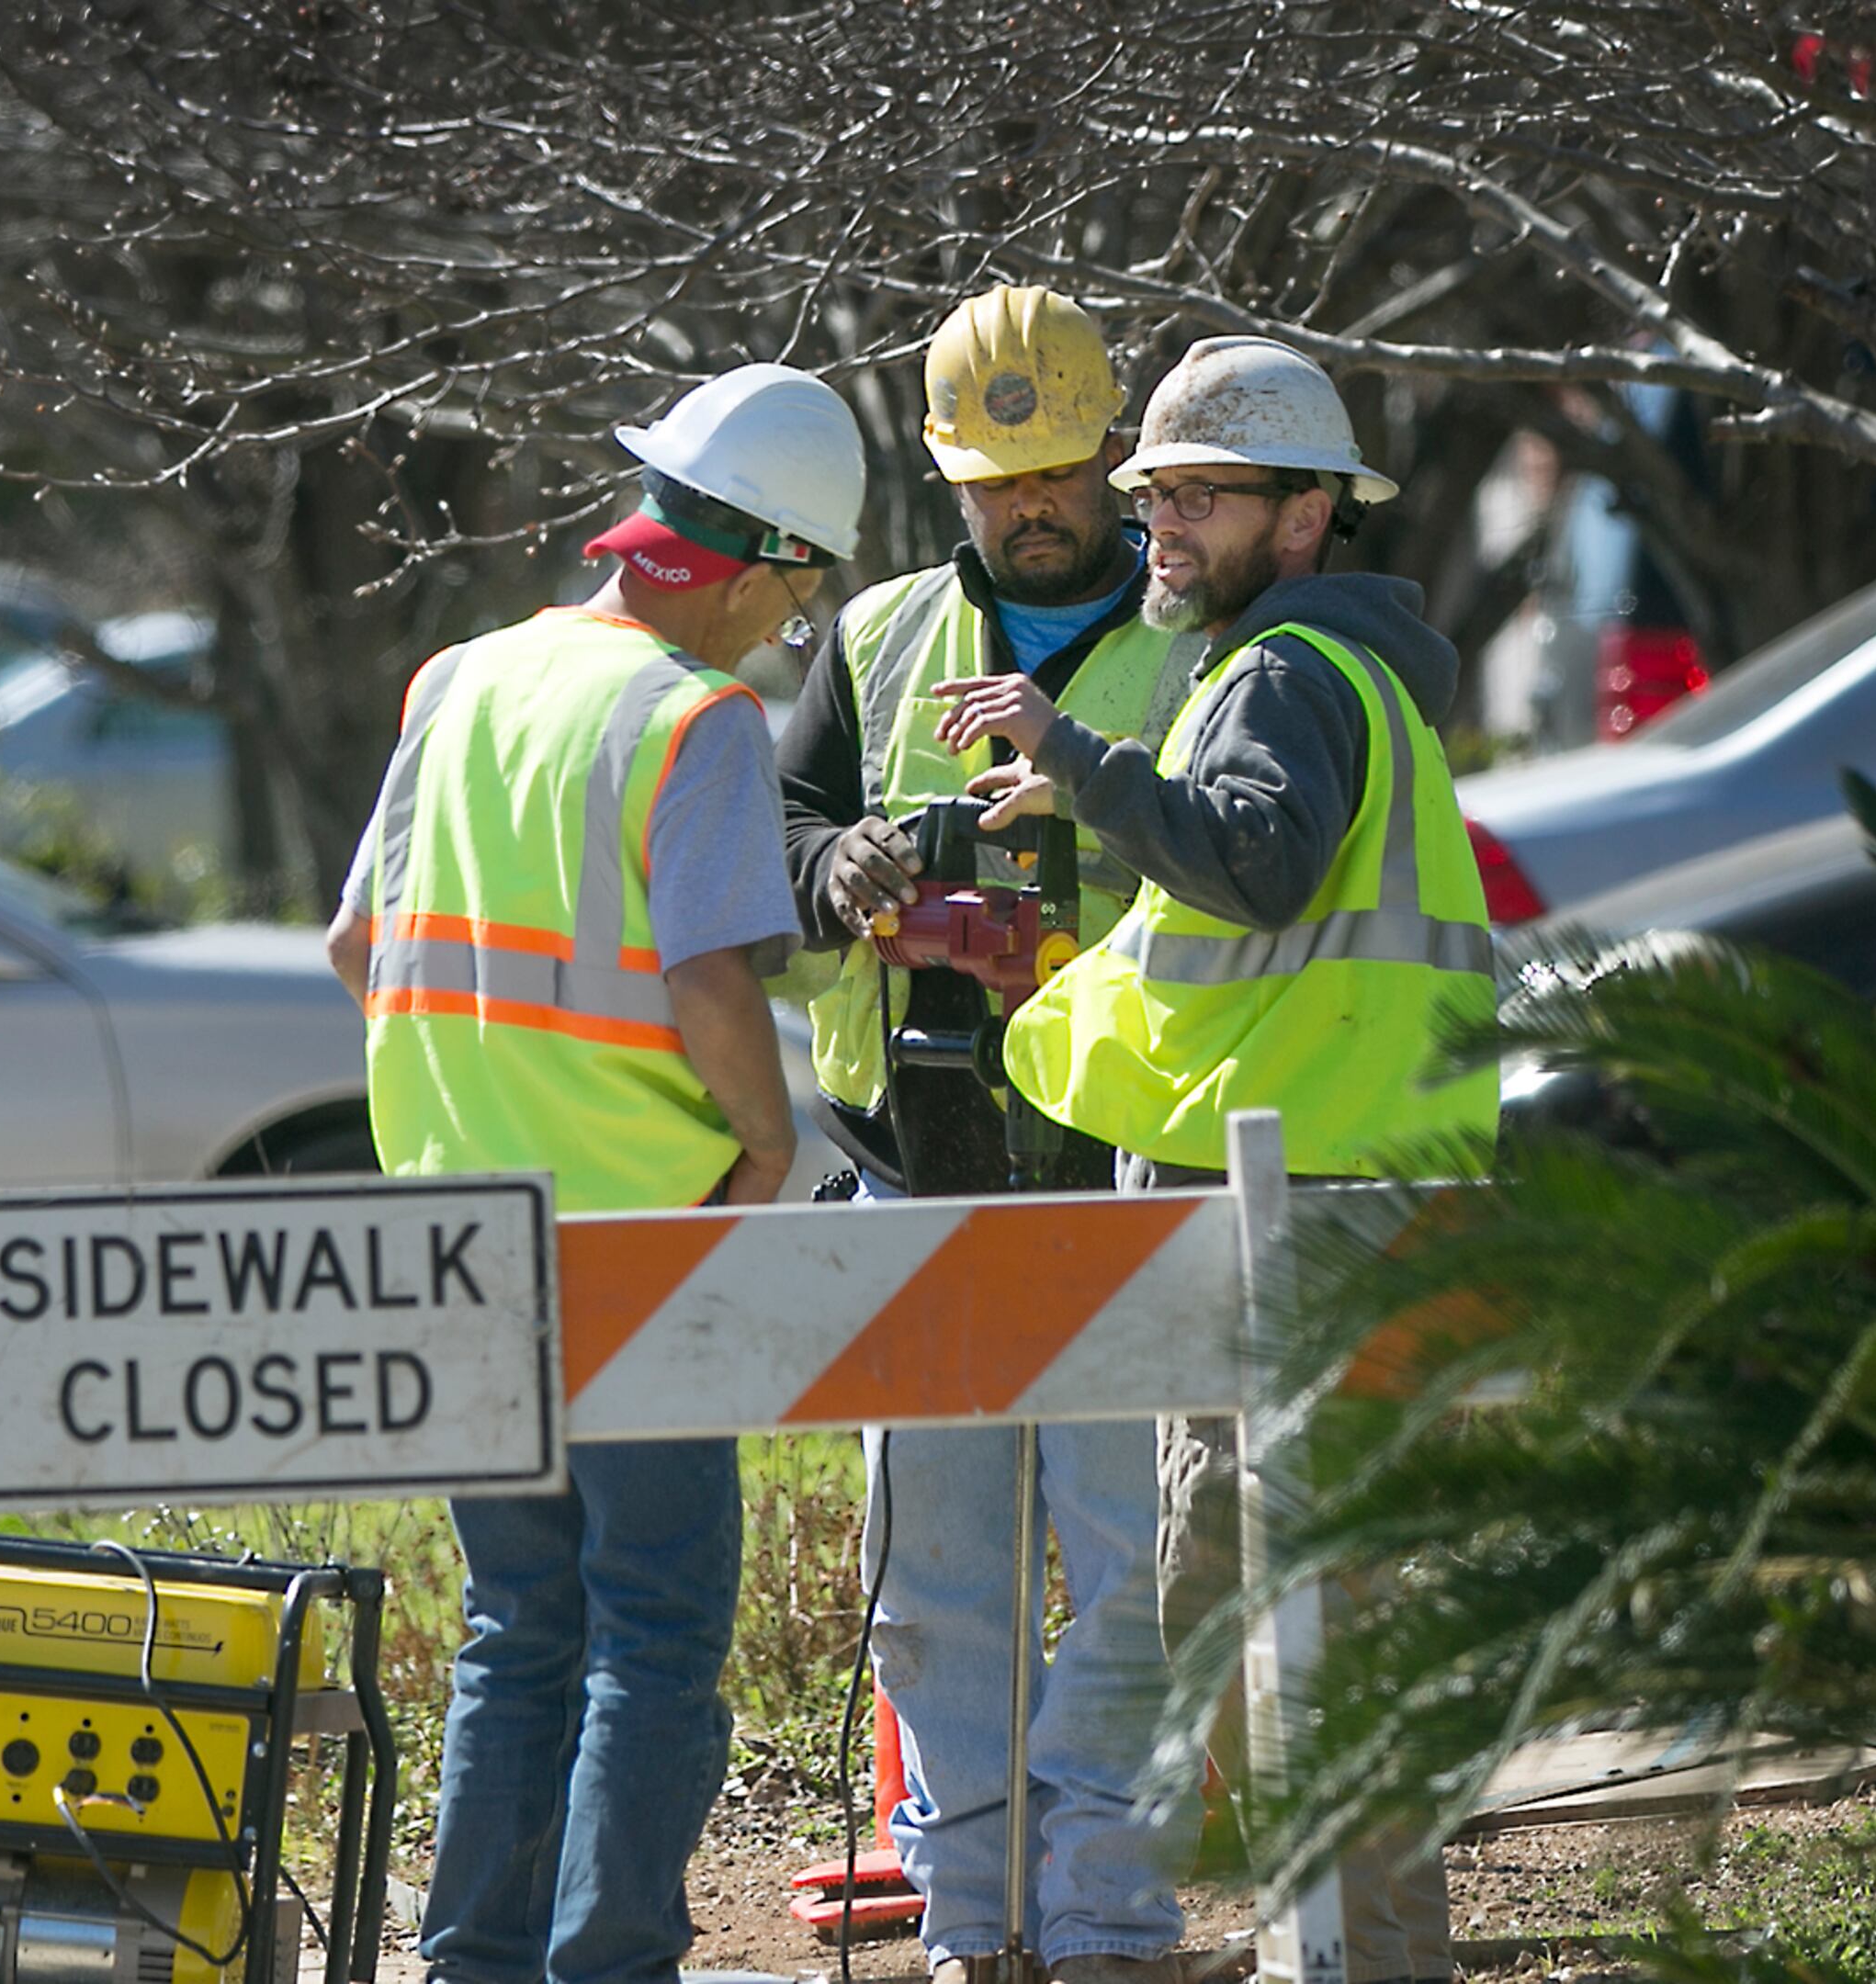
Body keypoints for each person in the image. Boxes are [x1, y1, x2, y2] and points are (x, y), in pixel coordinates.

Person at [941, 334, 1499, 1984]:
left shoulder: (1284, 674)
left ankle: (1353, 1952)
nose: (1165, 523)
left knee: (1271, 1611)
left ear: (1310, 514)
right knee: (1301, 1608)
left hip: (1305, 1205)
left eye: (1205, 496)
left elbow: (1253, 867)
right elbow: (1260, 934)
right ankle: (1350, 1942)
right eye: (1158, 493)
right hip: (1329, 1182)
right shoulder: (1331, 670)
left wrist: (1076, 757)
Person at [324, 360, 865, 1984]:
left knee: (518, 1624)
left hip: (457, 1227)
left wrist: (479, 1083)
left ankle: (474, 1962)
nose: (800, 617)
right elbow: (709, 980)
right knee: (653, 1626)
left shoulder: (458, 679)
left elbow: (358, 939)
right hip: (640, 1231)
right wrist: (768, 1142)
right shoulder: (695, 721)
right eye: (807, 584)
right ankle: (612, 1963)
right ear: (763, 563)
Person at [774, 286, 1209, 1984]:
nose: (1029, 507)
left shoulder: (1196, 647)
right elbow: (794, 817)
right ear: (950, 481)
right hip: (919, 1174)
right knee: (938, 1587)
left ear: (1113, 458)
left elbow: (1249, 857)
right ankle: (972, 1924)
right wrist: (845, 868)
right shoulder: (880, 633)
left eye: (1057, 473)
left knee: (1130, 1582)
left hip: (1113, 1176)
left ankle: (1105, 1919)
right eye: (992, 480)